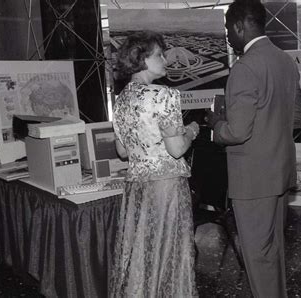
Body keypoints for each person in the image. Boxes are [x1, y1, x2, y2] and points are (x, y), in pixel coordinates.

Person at [205, 0, 300, 296]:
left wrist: (215, 123)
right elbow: (297, 117)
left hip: (253, 179)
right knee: (272, 252)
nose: (227, 38)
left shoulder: (245, 68)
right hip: (280, 171)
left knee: (257, 256)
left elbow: (236, 131)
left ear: (239, 26)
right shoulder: (285, 60)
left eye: (227, 31)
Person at [109, 31, 199, 297]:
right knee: (171, 251)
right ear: (142, 59)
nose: (166, 60)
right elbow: (177, 149)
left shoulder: (121, 100)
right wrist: (191, 131)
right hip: (166, 187)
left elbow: (122, 152)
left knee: (141, 252)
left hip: (137, 187)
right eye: (159, 55)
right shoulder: (165, 96)